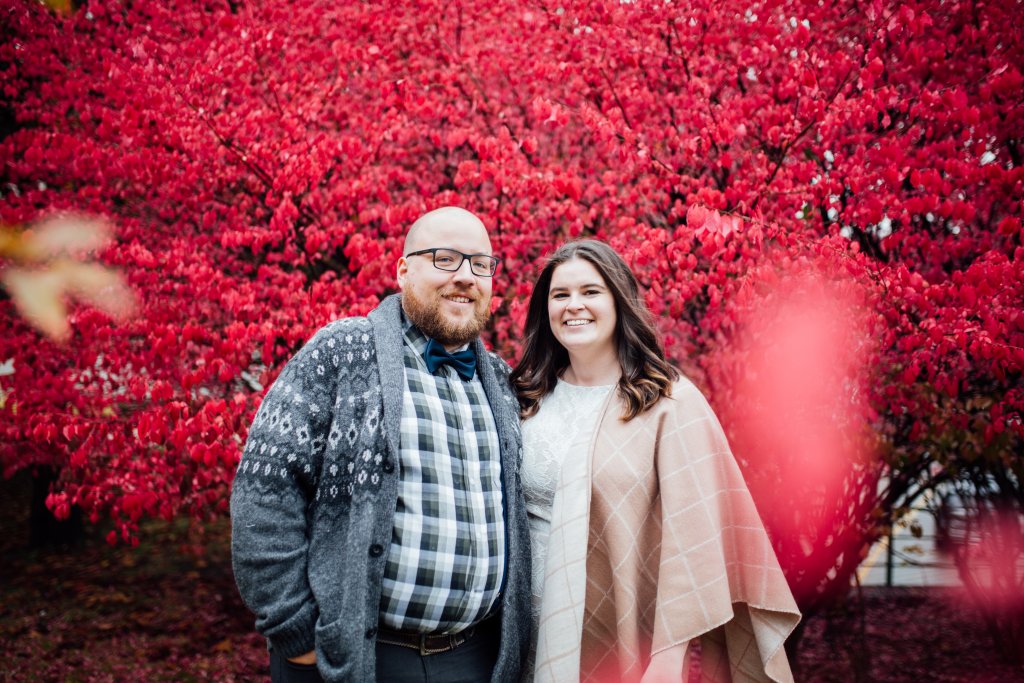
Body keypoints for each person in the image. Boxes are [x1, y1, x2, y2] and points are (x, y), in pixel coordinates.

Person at [230, 207, 530, 683]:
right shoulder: (343, 352)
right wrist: (295, 633)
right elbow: (265, 490)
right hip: (353, 657)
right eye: (446, 259)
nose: (466, 277)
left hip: (474, 657)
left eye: (480, 264)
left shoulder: (499, 380)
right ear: (403, 269)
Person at [511, 240, 801, 683]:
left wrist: (668, 657)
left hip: (620, 626)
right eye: (560, 294)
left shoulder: (667, 403)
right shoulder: (526, 398)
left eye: (591, 292)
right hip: (515, 628)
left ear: (619, 300)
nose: (574, 306)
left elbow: (694, 538)